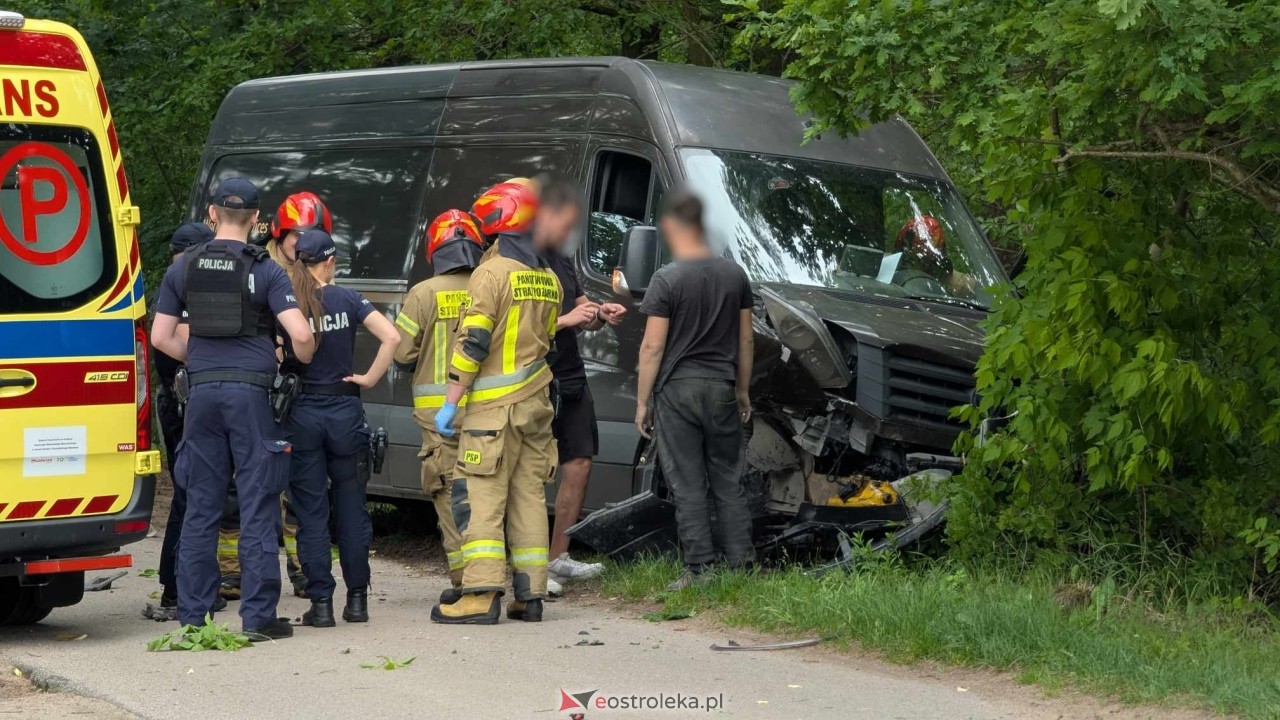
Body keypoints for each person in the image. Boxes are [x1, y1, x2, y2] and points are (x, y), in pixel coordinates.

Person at [151, 177, 315, 640]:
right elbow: (301, 335)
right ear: (257, 220)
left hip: (201, 395)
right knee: (258, 502)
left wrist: (201, 362)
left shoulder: (184, 267)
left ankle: (193, 617)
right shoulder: (267, 270)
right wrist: (296, 359)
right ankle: (258, 618)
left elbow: (160, 337)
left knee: (201, 506)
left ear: (212, 214)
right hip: (252, 396)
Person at [429, 178, 572, 625]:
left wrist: (450, 401)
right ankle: (530, 595)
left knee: (480, 496)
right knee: (529, 497)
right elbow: (547, 339)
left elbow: (472, 342)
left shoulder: (491, 274)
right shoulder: (549, 279)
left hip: (492, 412)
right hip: (537, 408)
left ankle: (480, 594)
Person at [634, 191, 755, 591]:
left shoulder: (666, 279)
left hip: (678, 389)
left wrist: (643, 402)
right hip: (721, 387)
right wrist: (742, 390)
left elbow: (652, 347)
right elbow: (746, 340)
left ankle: (700, 569)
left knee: (687, 482)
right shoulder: (735, 275)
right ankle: (741, 565)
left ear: (674, 226)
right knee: (728, 478)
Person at [219, 191, 332, 599]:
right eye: (297, 236)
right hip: (253, 388)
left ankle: (302, 569)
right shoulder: (255, 267)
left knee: (301, 485)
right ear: (279, 235)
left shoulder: (318, 274)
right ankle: (233, 572)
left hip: (297, 392)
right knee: (240, 483)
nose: (304, 245)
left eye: (313, 236)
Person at [284, 229, 399, 627]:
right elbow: (392, 337)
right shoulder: (349, 298)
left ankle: (320, 605)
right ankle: (357, 601)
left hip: (303, 411)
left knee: (311, 513)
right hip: (345, 410)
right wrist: (368, 379)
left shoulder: (290, 302)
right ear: (330, 262)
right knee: (351, 509)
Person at [393, 209, 487, 603]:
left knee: (449, 493)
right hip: (486, 410)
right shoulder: (489, 284)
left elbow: (401, 352)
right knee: (486, 492)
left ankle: (465, 578)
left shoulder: (423, 293)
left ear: (435, 248)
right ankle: (494, 572)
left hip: (439, 418)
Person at [542, 217, 627, 588]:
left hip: (570, 375)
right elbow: (513, 324)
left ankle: (557, 559)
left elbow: (582, 316)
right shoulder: (512, 260)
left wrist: (600, 314)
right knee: (528, 472)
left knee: (579, 463)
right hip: (532, 377)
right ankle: (529, 569)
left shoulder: (561, 259)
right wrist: (565, 320)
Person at [146, 222, 218, 621]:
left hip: (182, 400)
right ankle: (179, 588)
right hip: (181, 403)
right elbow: (179, 343)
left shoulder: (176, 284)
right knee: (191, 494)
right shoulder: (182, 285)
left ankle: (181, 585)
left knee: (191, 494)